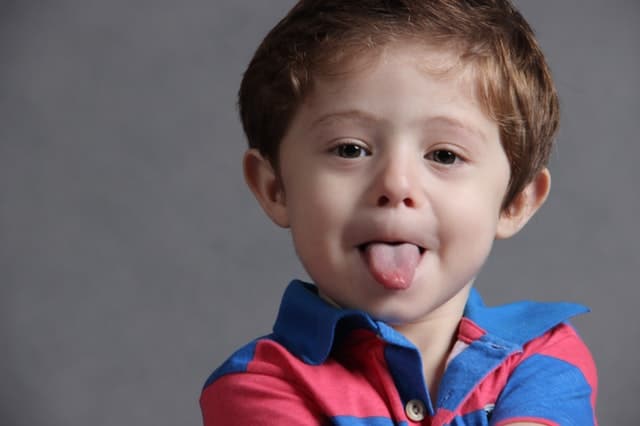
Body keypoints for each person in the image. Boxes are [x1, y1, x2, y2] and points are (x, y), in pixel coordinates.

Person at [200, 1, 598, 424]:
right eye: (350, 150)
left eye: (444, 155)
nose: (396, 185)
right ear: (275, 187)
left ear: (514, 201)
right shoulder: (257, 387)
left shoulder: (541, 357)